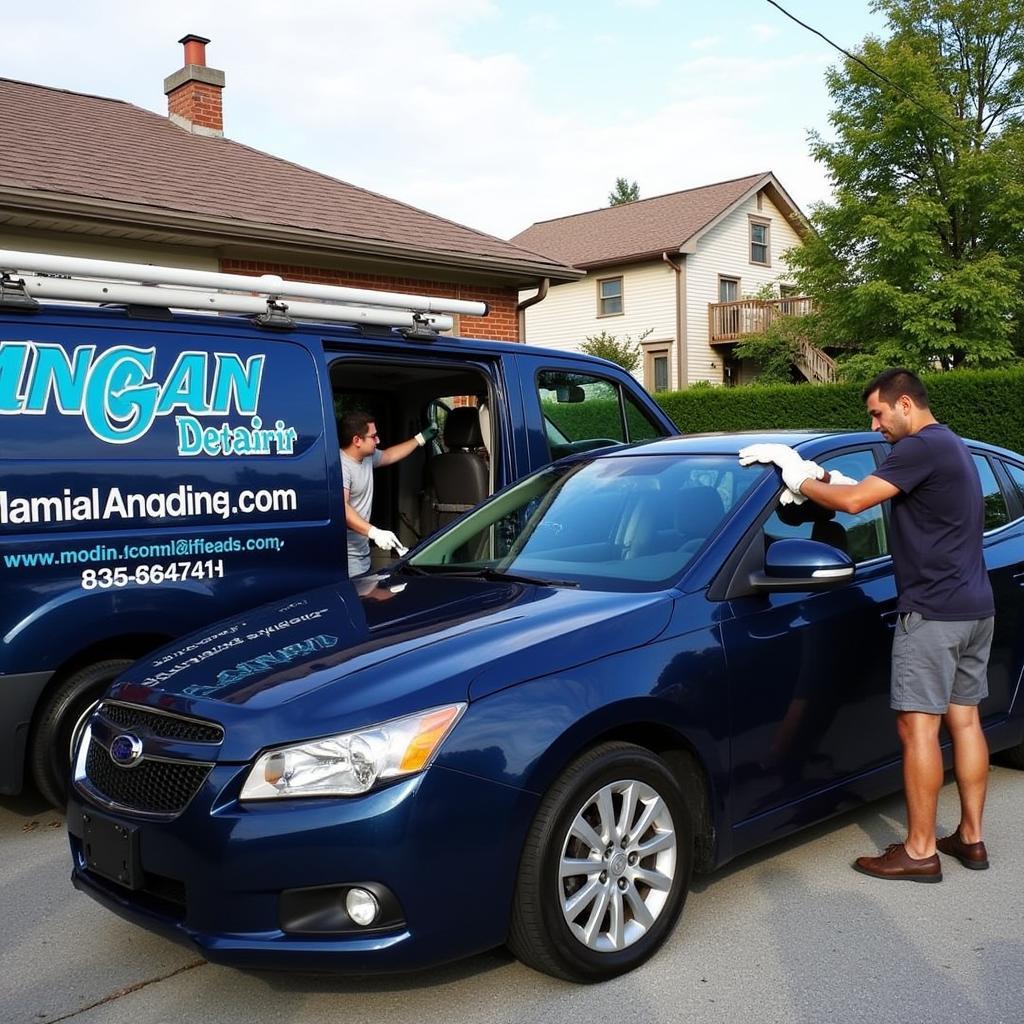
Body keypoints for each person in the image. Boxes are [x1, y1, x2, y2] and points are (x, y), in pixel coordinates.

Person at [739, 368, 994, 882]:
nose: (875, 426)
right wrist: (822, 479)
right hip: (973, 607)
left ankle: (919, 850)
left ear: (905, 404)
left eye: (878, 414)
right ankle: (970, 838)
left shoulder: (920, 447)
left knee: (916, 726)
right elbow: (870, 488)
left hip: (934, 612)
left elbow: (855, 504)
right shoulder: (949, 445)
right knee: (965, 722)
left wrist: (795, 472)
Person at [340, 410, 437, 577]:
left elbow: (389, 454)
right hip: (346, 559)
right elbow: (343, 508)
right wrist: (374, 532)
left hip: (362, 556)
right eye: (373, 436)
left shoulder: (367, 457)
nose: (378, 440)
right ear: (356, 440)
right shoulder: (342, 466)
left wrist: (420, 439)